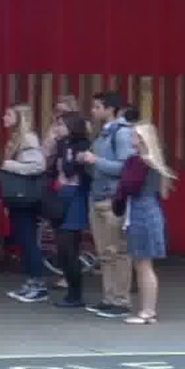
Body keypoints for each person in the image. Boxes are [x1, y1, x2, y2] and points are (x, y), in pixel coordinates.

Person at [77, 91, 135, 318]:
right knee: (103, 253)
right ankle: (108, 297)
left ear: (109, 109)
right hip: (97, 196)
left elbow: (125, 167)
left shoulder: (121, 134)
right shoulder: (102, 134)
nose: (93, 111)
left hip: (113, 198)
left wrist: (95, 160)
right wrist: (86, 161)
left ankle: (121, 300)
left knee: (118, 251)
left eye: (96, 107)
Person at [113, 121, 174, 325]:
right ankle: (147, 309)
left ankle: (148, 310)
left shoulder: (142, 162)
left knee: (144, 264)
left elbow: (129, 185)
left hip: (142, 213)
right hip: (144, 211)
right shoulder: (150, 162)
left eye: (134, 136)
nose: (131, 139)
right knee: (141, 264)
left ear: (142, 139)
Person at [0, 103, 48, 302]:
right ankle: (30, 281)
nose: (4, 117)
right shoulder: (16, 138)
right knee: (22, 239)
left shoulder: (28, 138)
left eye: (8, 114)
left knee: (28, 240)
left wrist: (9, 165)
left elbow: (38, 165)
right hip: (16, 197)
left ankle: (38, 284)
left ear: (19, 117)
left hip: (25, 196)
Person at [46, 111, 92, 307]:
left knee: (69, 246)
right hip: (60, 195)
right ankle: (71, 292)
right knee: (61, 248)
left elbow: (70, 169)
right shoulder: (60, 144)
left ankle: (76, 293)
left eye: (61, 125)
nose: (57, 128)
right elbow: (50, 170)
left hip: (75, 197)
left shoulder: (81, 145)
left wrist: (68, 153)